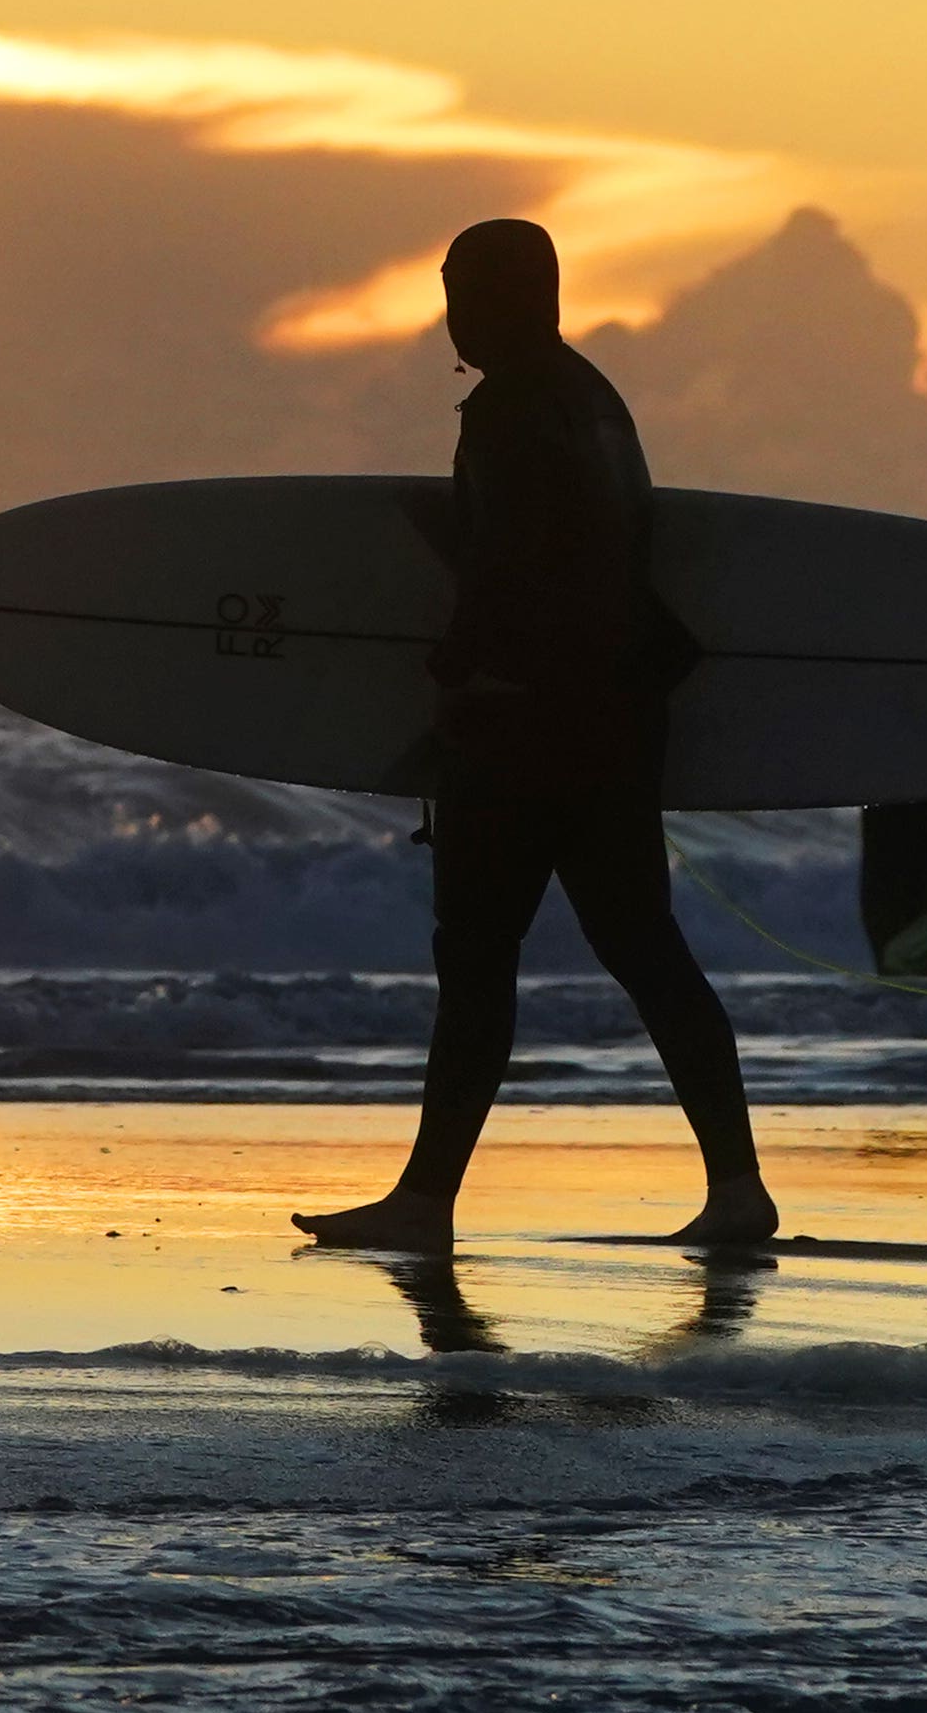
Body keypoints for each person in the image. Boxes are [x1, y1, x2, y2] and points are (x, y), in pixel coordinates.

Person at [295, 217, 779, 1256]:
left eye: (466, 289)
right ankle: (738, 1189)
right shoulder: (595, 397)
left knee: (476, 957)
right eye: (447, 286)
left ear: (519, 296)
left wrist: (463, 668)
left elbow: (523, 559)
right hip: (613, 720)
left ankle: (425, 1204)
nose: (451, 311)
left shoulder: (511, 408)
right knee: (646, 951)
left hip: (529, 727)